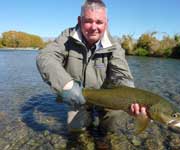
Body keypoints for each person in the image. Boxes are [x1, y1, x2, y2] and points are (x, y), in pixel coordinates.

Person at [36, 0, 147, 134]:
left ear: (106, 23)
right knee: (76, 129)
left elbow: (122, 75)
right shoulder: (67, 37)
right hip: (76, 94)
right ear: (80, 20)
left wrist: (130, 99)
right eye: (88, 21)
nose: (94, 27)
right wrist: (66, 85)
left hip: (107, 96)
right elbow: (46, 56)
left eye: (99, 22)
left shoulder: (114, 46)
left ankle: (104, 140)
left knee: (113, 124)